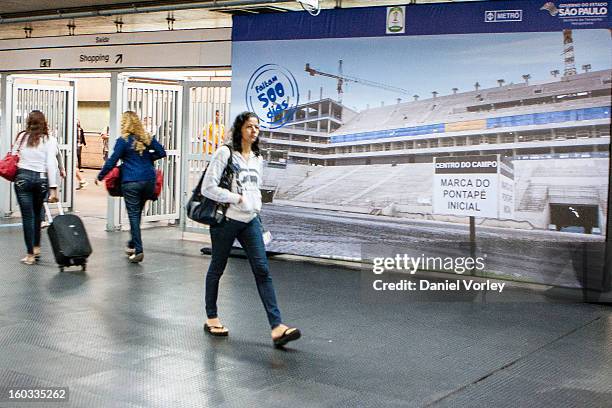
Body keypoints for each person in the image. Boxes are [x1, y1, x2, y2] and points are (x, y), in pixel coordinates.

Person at [201, 111, 301, 347]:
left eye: (257, 127)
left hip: (250, 221)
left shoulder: (257, 157)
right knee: (217, 267)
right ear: (239, 129)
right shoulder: (225, 153)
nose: (254, 131)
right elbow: (208, 187)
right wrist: (236, 198)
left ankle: (277, 327)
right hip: (226, 220)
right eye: (249, 126)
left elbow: (255, 190)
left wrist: (256, 211)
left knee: (262, 270)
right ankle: (212, 317)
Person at [95, 111, 166, 263]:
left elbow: (112, 160)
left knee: (133, 215)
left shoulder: (123, 140)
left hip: (131, 181)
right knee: (137, 212)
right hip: (149, 180)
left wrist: (100, 176)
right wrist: (147, 158)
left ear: (125, 123)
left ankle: (139, 250)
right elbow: (162, 152)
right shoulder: (147, 138)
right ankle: (132, 243)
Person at [12, 110, 59, 265]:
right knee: (38, 214)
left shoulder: (22, 137)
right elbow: (51, 164)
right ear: (44, 122)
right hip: (41, 180)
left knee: (28, 217)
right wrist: (53, 188)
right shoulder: (49, 140)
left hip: (22, 178)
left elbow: (13, 155)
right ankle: (37, 247)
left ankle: (30, 255)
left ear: (29, 122)